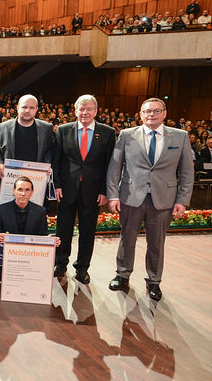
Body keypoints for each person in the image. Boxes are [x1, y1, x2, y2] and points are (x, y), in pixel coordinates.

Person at [105, 98, 194, 301]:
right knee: (127, 239)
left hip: (164, 200)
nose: (151, 114)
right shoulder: (127, 135)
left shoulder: (180, 136)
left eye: (156, 111)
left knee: (157, 243)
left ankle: (154, 281)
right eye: (147, 111)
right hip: (131, 197)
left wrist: (182, 200)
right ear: (141, 114)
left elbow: (187, 171)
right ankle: (122, 274)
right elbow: (114, 167)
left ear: (164, 113)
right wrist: (113, 195)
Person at [52, 95, 116, 284]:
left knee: (88, 231)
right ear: (75, 110)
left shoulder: (107, 133)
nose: (85, 112)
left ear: (96, 111)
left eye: (89, 109)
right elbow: (56, 161)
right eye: (81, 109)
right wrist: (57, 185)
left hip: (94, 192)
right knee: (63, 229)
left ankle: (82, 268)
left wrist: (105, 190)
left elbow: (109, 165)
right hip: (66, 190)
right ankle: (60, 263)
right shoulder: (63, 130)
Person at [0, 177, 58, 285]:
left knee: (53, 261)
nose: (23, 193)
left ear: (32, 192)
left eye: (27, 190)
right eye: (20, 189)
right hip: (7, 254)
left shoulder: (40, 211)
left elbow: (42, 235)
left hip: (30, 254)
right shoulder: (1, 210)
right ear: (14, 191)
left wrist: (51, 241)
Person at [0, 94, 55, 178]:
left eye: (31, 108)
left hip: (36, 178)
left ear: (36, 109)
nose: (27, 111)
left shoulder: (47, 128)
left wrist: (47, 164)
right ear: (18, 108)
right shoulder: (2, 127)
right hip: (9, 177)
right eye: (24, 107)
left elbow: (50, 150)